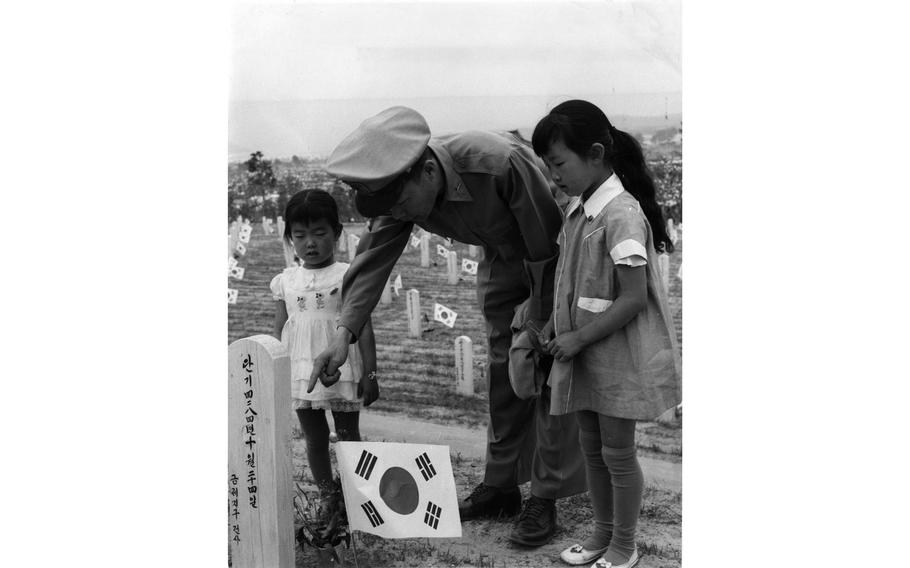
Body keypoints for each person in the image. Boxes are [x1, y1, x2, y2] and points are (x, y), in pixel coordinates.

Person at [309, 106, 586, 546]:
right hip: (502, 255)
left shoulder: (497, 163)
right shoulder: (398, 193)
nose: (401, 214)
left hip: (557, 256)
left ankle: (546, 496)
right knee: (502, 370)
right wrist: (343, 336)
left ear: (429, 171)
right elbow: (372, 262)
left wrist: (539, 317)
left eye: (402, 203)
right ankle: (501, 486)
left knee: (546, 368)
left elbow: (546, 240)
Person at [530, 100, 681, 568]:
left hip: (616, 355)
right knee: (593, 451)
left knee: (617, 454)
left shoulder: (620, 214)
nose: (554, 175)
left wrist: (575, 339)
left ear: (595, 154)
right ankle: (600, 536)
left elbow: (633, 297)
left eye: (558, 163)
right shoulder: (582, 211)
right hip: (590, 356)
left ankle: (624, 546)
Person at [270, 189, 379, 507]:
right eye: (300, 235)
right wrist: (278, 371)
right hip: (302, 370)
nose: (310, 243)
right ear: (290, 238)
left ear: (337, 232)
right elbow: (280, 328)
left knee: (348, 437)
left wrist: (370, 372)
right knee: (314, 438)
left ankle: (357, 498)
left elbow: (365, 326)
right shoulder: (285, 281)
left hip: (341, 368)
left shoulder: (347, 275)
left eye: (319, 233)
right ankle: (329, 498)